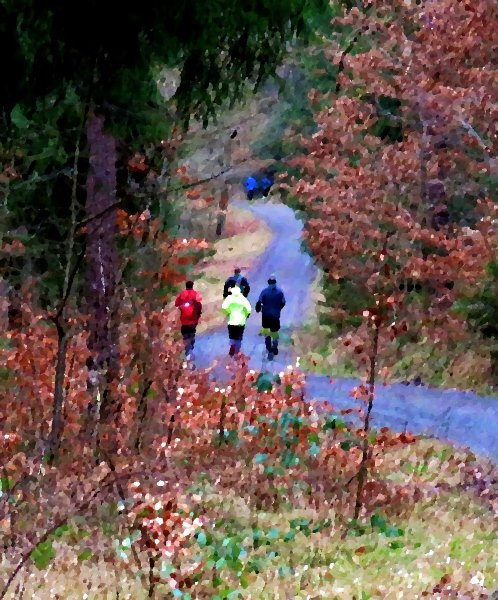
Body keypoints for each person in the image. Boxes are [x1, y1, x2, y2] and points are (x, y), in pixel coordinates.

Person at [256, 274, 286, 360]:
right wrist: (278, 308)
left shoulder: (264, 291)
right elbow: (283, 302)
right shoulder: (280, 292)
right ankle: (275, 347)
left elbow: (259, 302)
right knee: (275, 332)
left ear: (268, 283)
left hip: (265, 315)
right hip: (275, 316)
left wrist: (259, 309)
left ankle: (268, 347)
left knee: (266, 331)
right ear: (275, 282)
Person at [221, 283, 252, 357]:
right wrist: (246, 315)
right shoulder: (243, 298)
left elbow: (224, 307)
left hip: (231, 321)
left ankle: (232, 345)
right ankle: (237, 351)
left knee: (232, 336)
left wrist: (228, 312)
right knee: (239, 337)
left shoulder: (229, 298)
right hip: (241, 321)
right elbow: (249, 309)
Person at [175, 280, 202, 359]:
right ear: (192, 286)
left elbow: (176, 304)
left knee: (185, 335)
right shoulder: (196, 294)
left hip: (184, 320)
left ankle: (187, 350)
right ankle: (190, 349)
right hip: (193, 320)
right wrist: (198, 316)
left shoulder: (182, 294)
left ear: (186, 286)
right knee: (192, 334)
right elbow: (199, 305)